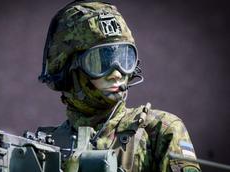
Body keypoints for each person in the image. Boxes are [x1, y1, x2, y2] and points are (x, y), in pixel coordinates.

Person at [38, 0, 201, 171]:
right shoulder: (43, 148)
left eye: (124, 59)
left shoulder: (159, 132)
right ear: (68, 70)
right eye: (101, 62)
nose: (117, 74)